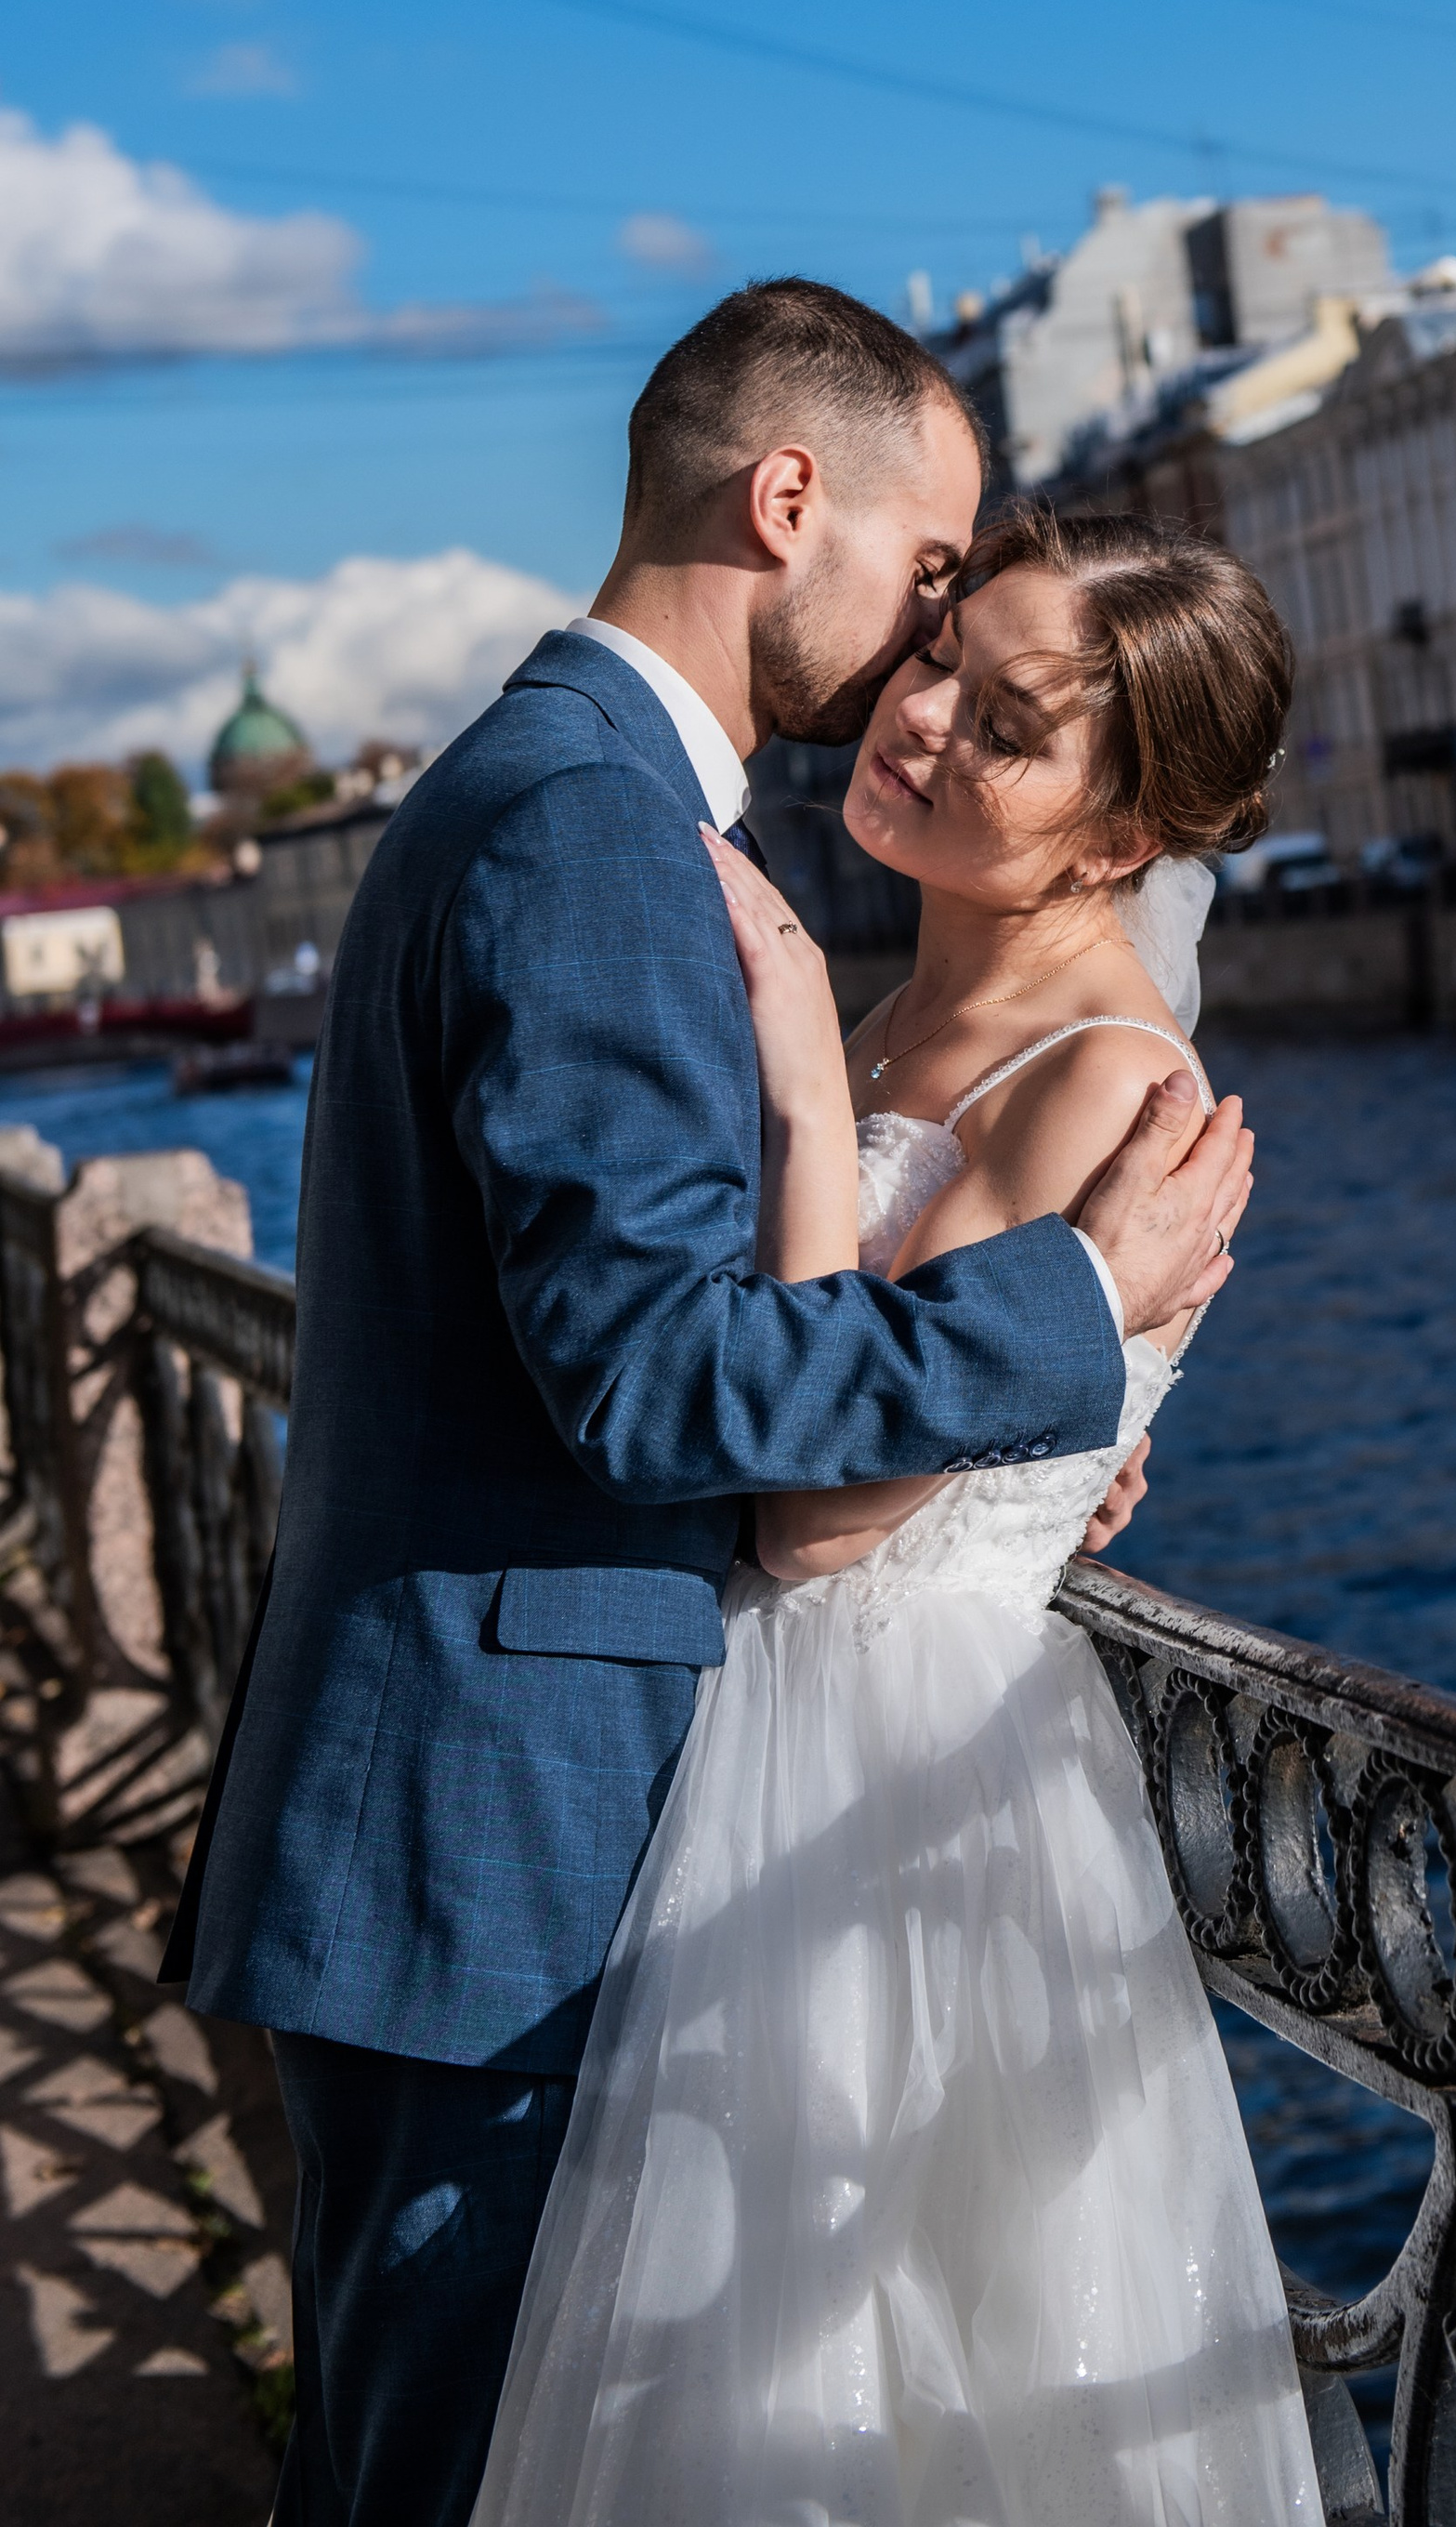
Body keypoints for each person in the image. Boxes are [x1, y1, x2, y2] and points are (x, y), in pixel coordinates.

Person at [159, 284, 1255, 2527]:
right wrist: (1056, 1335)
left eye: (983, 662)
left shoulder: (563, 792)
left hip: (633, 1825)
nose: (918, 666)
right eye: (930, 589)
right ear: (789, 502)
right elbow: (663, 1376)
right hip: (506, 1845)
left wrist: (1035, 1442)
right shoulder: (596, 832)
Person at [471, 500, 1321, 2524]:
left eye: (1007, 724)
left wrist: (789, 1098)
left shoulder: (1097, 1068)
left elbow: (821, 1522)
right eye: (941, 655)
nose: (919, 715)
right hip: (792, 1743)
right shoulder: (903, 1007)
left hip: (894, 1791)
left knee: (881, 2393)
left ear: (1121, 838)